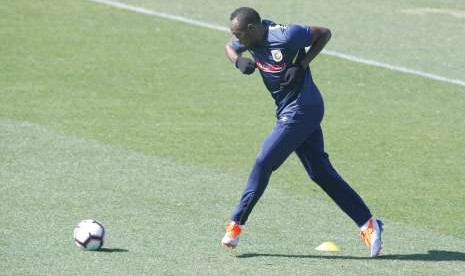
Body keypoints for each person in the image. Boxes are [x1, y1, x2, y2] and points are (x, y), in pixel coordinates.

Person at [221, 7, 384, 257]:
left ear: (252, 29)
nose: (237, 38)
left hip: (302, 109)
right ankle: (368, 224)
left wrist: (301, 64)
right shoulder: (248, 37)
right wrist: (238, 61)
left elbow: (324, 33)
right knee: (320, 172)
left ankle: (236, 223)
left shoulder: (287, 36)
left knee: (264, 160)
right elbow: (230, 48)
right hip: (288, 110)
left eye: (239, 34)